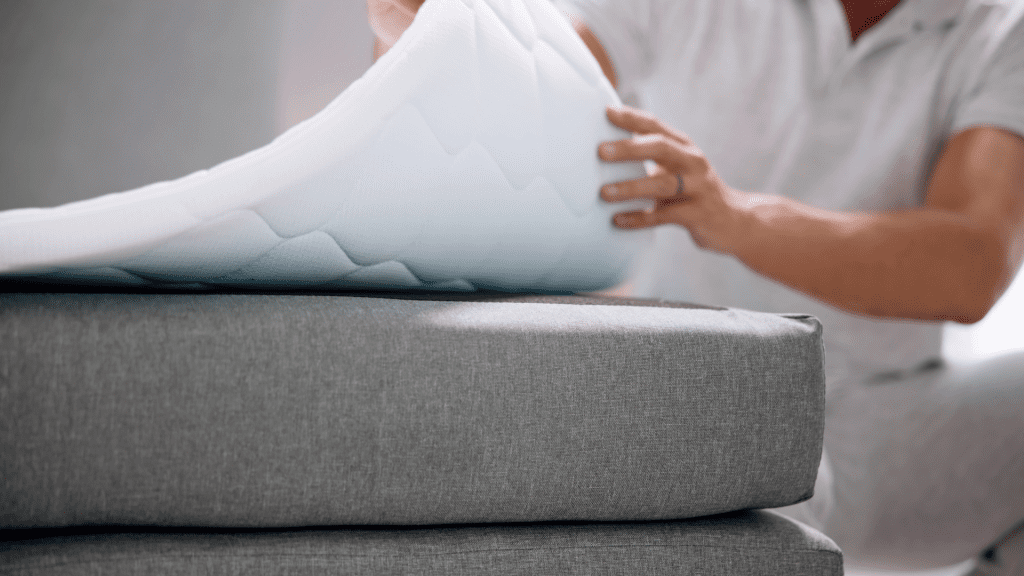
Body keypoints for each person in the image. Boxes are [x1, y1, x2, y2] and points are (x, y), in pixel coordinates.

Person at [368, 0, 1024, 573]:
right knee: (720, 457)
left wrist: (733, 218)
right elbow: (531, 92)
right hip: (706, 394)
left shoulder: (1001, 30)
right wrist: (429, 43)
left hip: (890, 426)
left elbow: (970, 263)